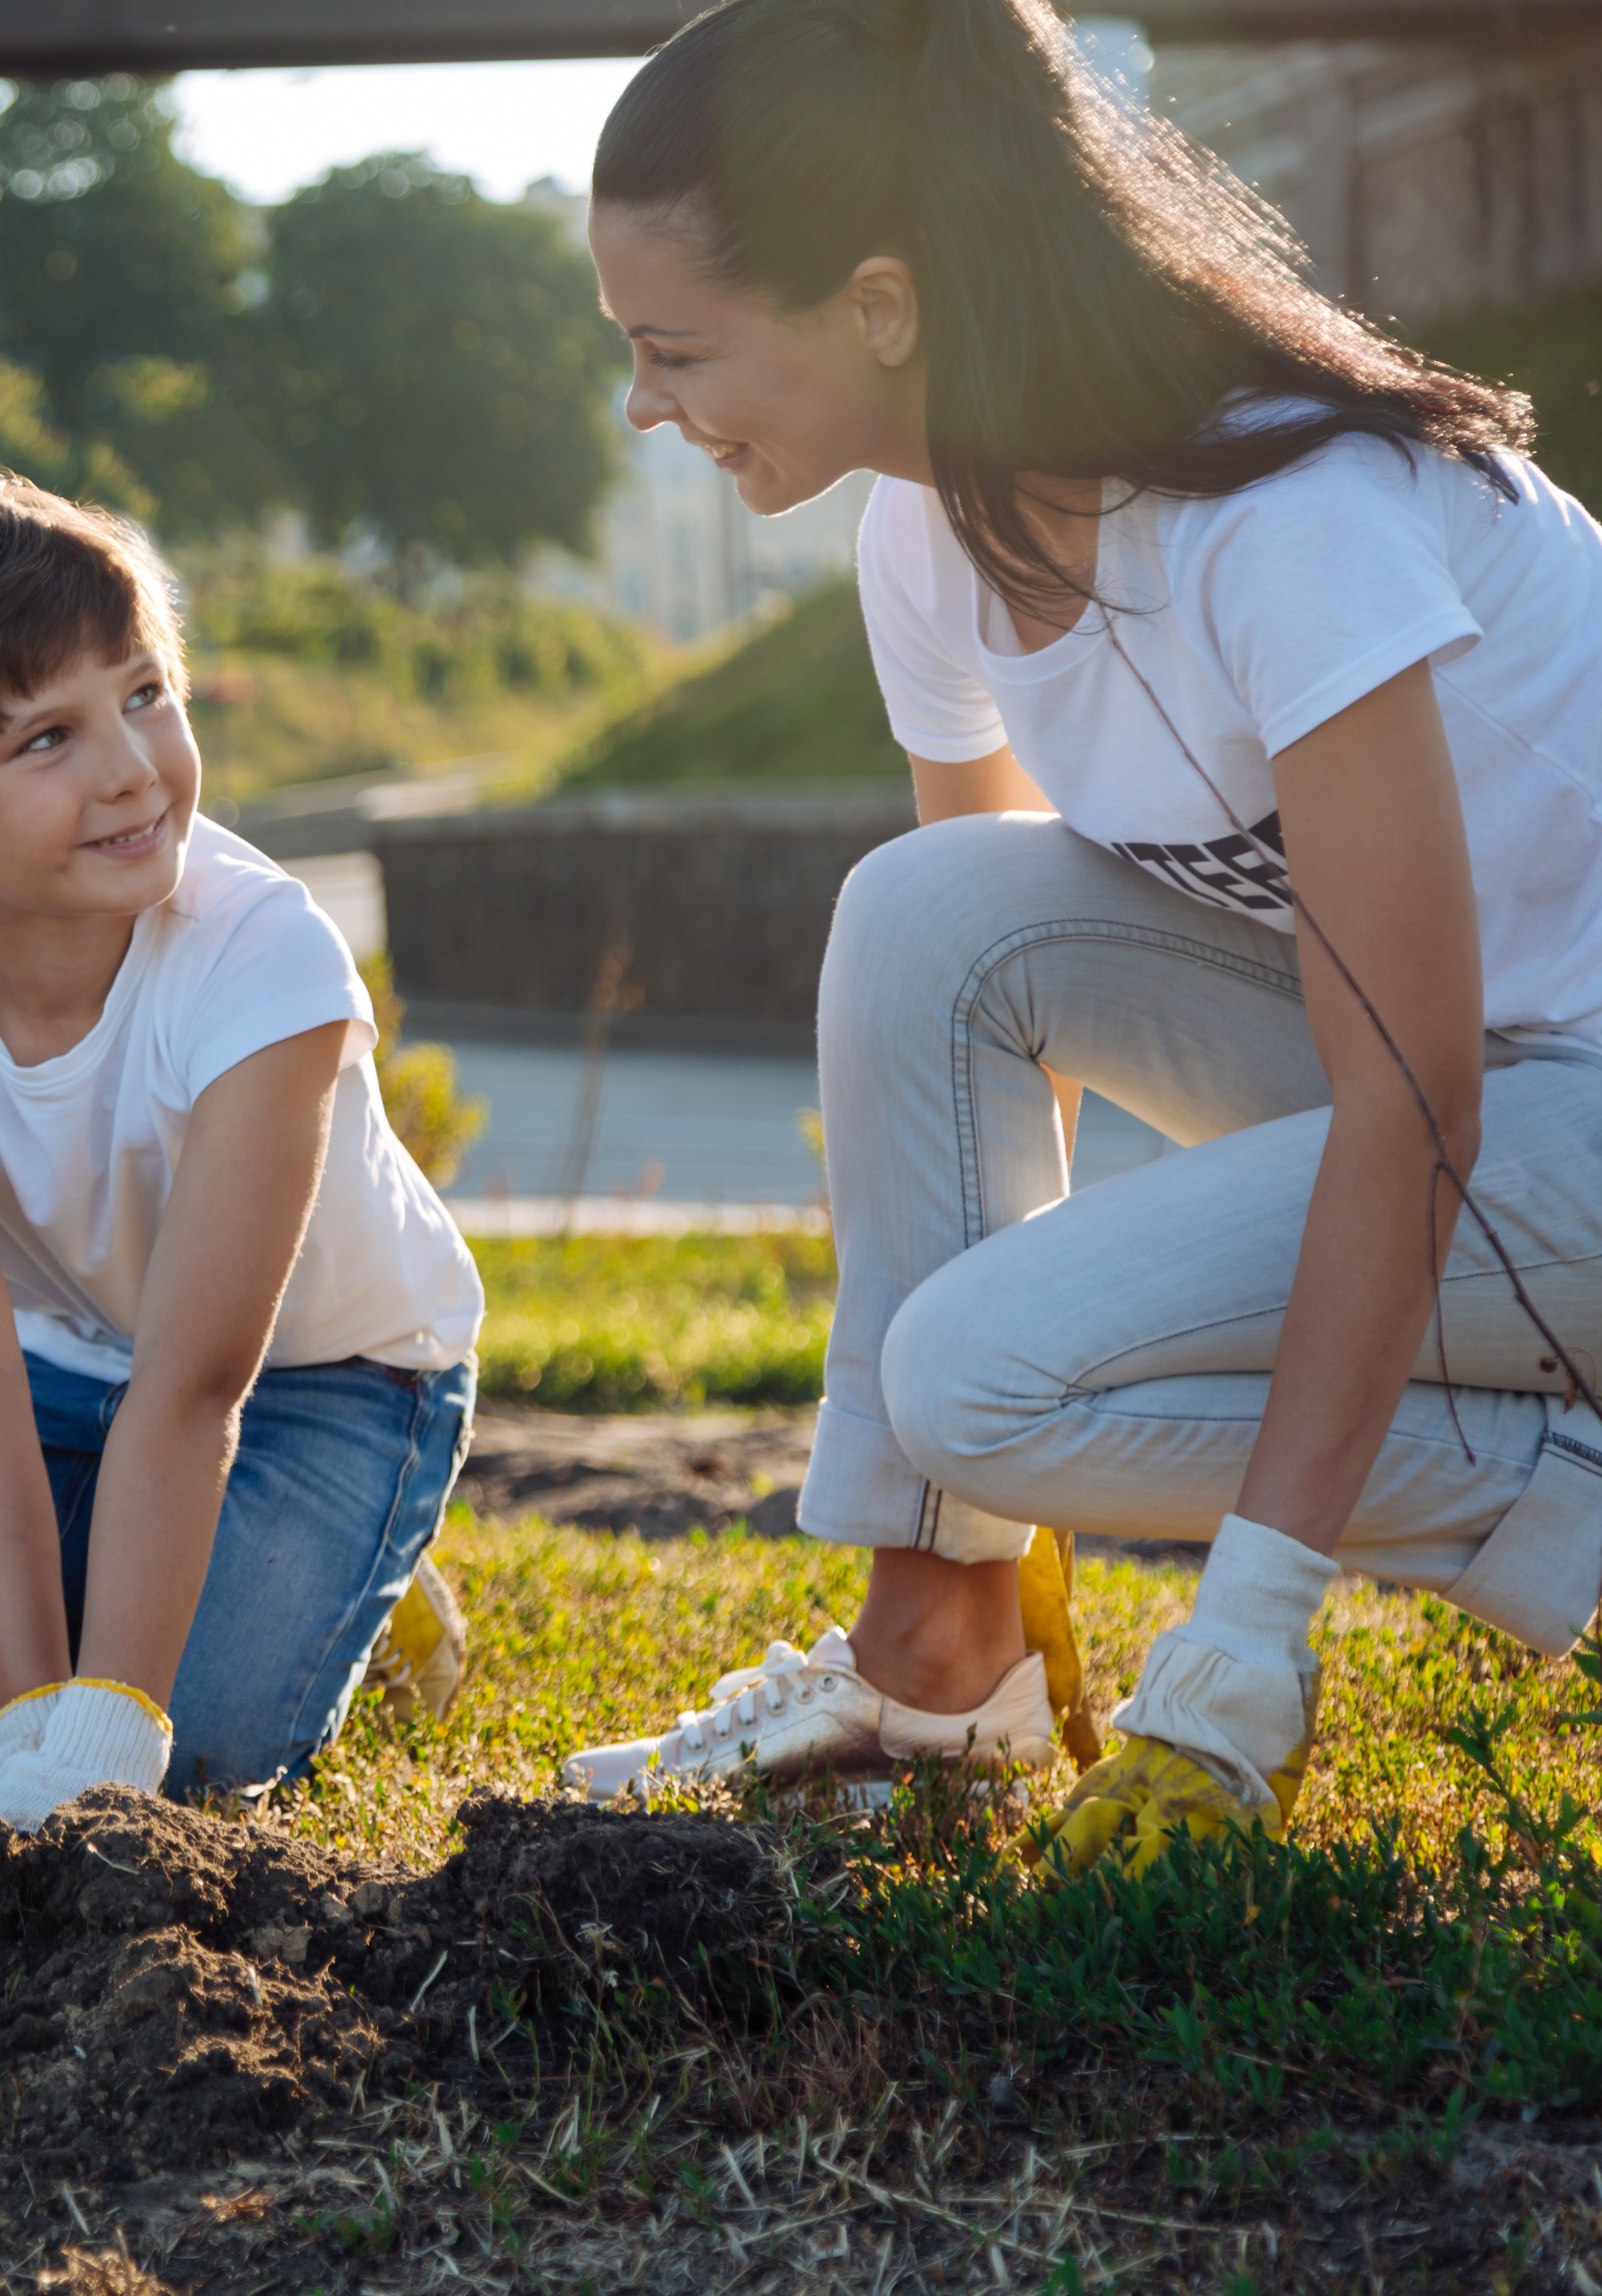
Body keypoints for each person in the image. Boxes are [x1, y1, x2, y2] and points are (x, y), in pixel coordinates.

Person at [557, 0, 1602, 1870]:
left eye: (675, 349)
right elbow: (974, 1011)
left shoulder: (1287, 514)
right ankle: (940, 1654)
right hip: (1467, 1101)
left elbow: (1416, 1095)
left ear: (882, 302)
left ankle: (1568, 1483)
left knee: (977, 1374)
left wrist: (1241, 1645)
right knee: (922, 906)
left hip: (1553, 1108)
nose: (647, 402)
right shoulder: (925, 540)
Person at [0, 473, 483, 1826]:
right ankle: (140, 1580)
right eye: (45, 739)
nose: (131, 767)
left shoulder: (263, 953)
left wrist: (96, 1743)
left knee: (184, 1758)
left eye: (143, 693)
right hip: (56, 1372)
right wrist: (36, 1720)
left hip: (328, 1379)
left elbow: (200, 1381)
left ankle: (361, 1573)